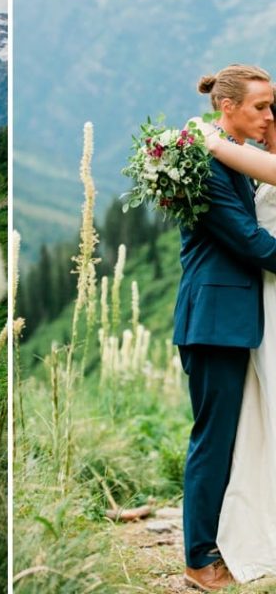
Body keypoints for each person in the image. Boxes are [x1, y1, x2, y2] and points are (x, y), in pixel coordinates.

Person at [175, 64, 276, 591]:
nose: (268, 116)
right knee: (212, 440)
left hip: (235, 318)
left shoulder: (236, 158)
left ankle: (223, 542)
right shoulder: (204, 162)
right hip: (213, 319)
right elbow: (248, 240)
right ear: (226, 106)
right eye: (260, 107)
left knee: (231, 438)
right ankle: (197, 559)